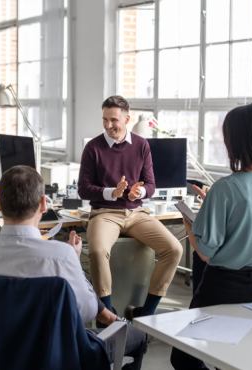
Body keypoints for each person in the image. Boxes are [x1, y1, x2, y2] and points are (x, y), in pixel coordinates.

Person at [0, 165, 147, 370]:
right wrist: (73, 261)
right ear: (43, 204)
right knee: (138, 337)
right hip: (54, 352)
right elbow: (86, 312)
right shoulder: (61, 256)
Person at [171, 102, 252, 370]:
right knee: (240, 358)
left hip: (222, 287)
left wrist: (190, 225)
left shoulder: (225, 188)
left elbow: (205, 252)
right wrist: (215, 204)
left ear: (234, 142)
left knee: (184, 357)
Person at [78, 95, 183, 318]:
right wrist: (112, 192)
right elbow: (84, 189)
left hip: (136, 213)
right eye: (105, 119)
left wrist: (140, 192)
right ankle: (107, 312)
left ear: (127, 119)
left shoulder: (141, 145)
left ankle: (147, 312)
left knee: (174, 249)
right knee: (97, 251)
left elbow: (151, 185)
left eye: (114, 120)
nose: (108, 125)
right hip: (105, 213)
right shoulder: (93, 147)